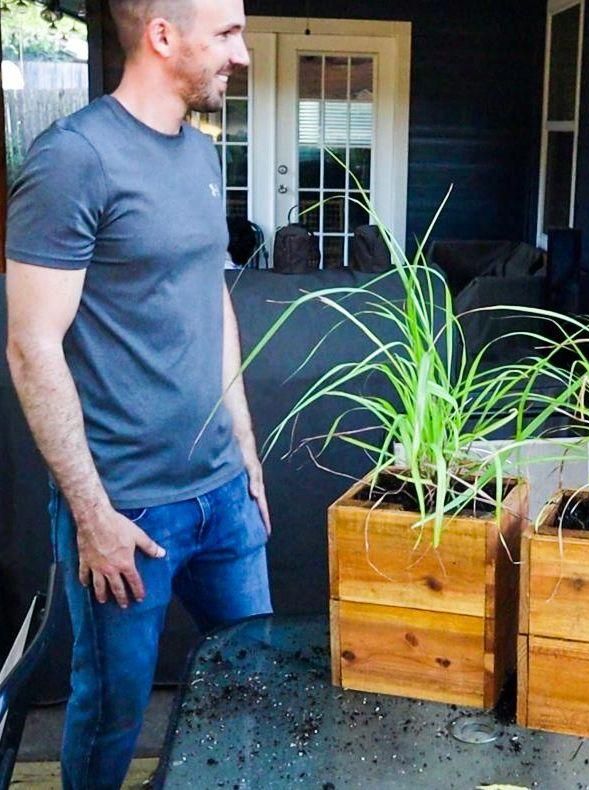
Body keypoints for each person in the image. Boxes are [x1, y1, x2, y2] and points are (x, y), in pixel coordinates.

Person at [4, 1, 270, 787]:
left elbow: (212, 302)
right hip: (127, 512)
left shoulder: (201, 153)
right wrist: (92, 516)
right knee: (112, 715)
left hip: (223, 494)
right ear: (162, 36)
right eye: (226, 34)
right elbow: (31, 345)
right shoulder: (73, 159)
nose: (242, 54)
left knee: (254, 683)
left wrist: (246, 453)